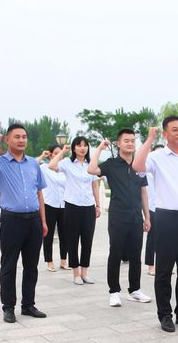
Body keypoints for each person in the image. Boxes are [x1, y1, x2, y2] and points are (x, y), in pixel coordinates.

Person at [133, 116, 178, 333]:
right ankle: (165, 314)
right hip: (167, 219)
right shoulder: (156, 157)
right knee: (164, 271)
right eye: (175, 130)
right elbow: (137, 165)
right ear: (165, 134)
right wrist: (149, 139)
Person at [0, 125, 48, 323]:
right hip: (11, 220)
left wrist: (43, 221)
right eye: (17, 137)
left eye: (24, 137)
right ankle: (8, 307)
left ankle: (28, 305)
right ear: (7, 140)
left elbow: (39, 194)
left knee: (31, 266)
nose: (21, 140)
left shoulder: (33, 163)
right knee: (8, 265)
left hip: (33, 221)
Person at [88, 129, 153, 307]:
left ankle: (135, 290)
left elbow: (144, 192)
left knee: (135, 255)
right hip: (118, 216)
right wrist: (99, 149)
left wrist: (147, 217)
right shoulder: (111, 164)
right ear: (119, 144)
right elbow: (91, 170)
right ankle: (114, 291)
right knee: (115, 253)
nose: (130, 143)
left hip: (136, 217)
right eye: (126, 140)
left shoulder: (139, 165)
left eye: (133, 140)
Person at [48, 137, 101, 285]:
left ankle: (85, 273)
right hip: (72, 206)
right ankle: (76, 274)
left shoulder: (91, 164)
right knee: (72, 240)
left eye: (85, 145)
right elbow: (51, 165)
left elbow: (95, 185)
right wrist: (62, 152)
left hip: (88, 206)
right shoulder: (67, 163)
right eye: (79, 145)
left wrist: (97, 205)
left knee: (87, 241)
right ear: (74, 148)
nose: (82, 148)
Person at [37, 145, 69, 272]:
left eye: (60, 153)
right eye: (56, 153)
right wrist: (42, 156)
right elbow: (33, 164)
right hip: (49, 204)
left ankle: (63, 260)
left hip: (64, 205)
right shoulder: (44, 168)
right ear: (50, 155)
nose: (59, 155)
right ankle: (49, 261)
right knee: (48, 235)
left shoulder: (64, 169)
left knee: (65, 234)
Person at [143, 144, 164, 276]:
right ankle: (151, 266)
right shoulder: (148, 170)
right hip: (152, 207)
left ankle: (162, 265)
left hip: (166, 208)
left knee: (165, 239)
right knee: (153, 238)